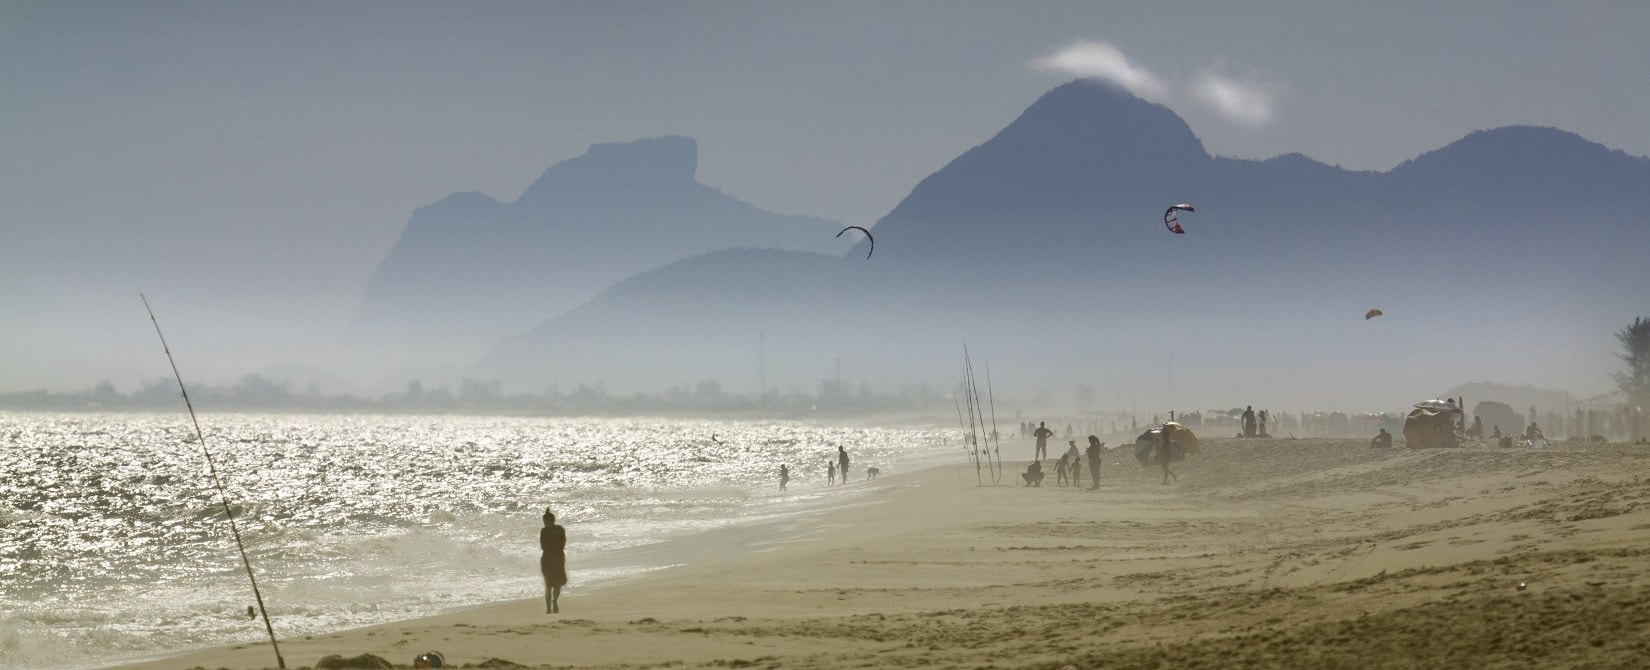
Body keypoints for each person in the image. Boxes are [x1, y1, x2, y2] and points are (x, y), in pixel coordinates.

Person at [540, 509, 567, 614]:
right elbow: (543, 546)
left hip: (559, 560)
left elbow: (563, 543)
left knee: (558, 584)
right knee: (548, 584)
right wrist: (555, 548)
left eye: (547, 522)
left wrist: (555, 548)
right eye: (545, 523)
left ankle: (554, 601)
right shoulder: (543, 531)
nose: (546, 524)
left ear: (552, 521)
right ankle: (548, 608)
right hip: (547, 560)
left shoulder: (560, 530)